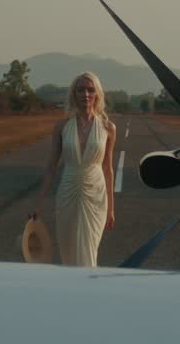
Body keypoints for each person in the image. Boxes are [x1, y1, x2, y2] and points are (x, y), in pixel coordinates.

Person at [30, 71, 116, 267]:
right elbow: (51, 166)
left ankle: (88, 291)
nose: (85, 94)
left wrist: (111, 208)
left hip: (96, 196)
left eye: (90, 90)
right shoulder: (62, 126)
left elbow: (108, 168)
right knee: (68, 251)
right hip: (67, 192)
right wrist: (38, 203)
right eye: (80, 90)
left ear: (97, 94)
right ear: (74, 94)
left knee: (90, 248)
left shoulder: (108, 127)